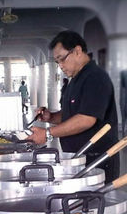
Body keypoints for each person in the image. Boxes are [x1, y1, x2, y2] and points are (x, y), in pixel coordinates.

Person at [27, 30, 119, 183]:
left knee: (97, 203)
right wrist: (51, 117)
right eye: (57, 62)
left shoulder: (95, 77)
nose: (60, 66)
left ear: (77, 51)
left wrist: (48, 134)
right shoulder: (75, 80)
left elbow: (85, 119)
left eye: (62, 59)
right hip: (80, 157)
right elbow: (72, 115)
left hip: (98, 159)